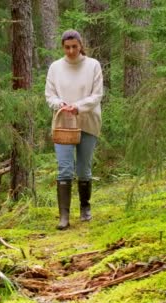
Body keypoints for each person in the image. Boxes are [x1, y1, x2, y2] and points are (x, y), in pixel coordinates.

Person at [45, 29, 104, 230]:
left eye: (74, 47)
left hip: (88, 121)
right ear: (63, 47)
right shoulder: (55, 67)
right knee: (64, 168)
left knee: (83, 168)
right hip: (63, 123)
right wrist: (60, 104)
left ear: (80, 46)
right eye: (67, 47)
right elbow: (49, 94)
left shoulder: (93, 65)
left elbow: (97, 95)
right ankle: (64, 216)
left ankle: (85, 208)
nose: (71, 51)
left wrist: (77, 106)